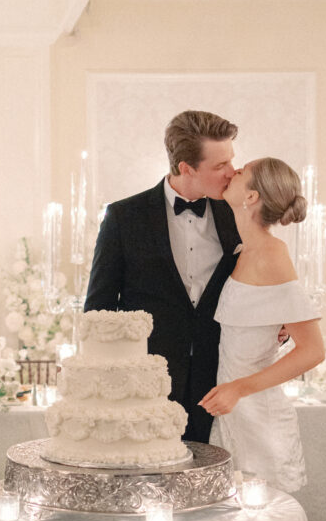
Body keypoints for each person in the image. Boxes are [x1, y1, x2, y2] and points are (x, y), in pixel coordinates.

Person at [84, 109, 241, 442]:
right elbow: (97, 310)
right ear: (186, 168)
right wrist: (105, 385)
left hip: (220, 382)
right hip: (144, 387)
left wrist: (277, 322)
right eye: (219, 165)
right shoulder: (124, 217)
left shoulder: (240, 214)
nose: (233, 172)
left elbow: (255, 283)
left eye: (231, 160)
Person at [199, 157, 325, 492]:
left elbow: (313, 351)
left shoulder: (272, 253)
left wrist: (238, 389)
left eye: (241, 172)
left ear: (252, 197)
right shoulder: (242, 251)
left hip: (258, 414)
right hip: (231, 413)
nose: (233, 171)